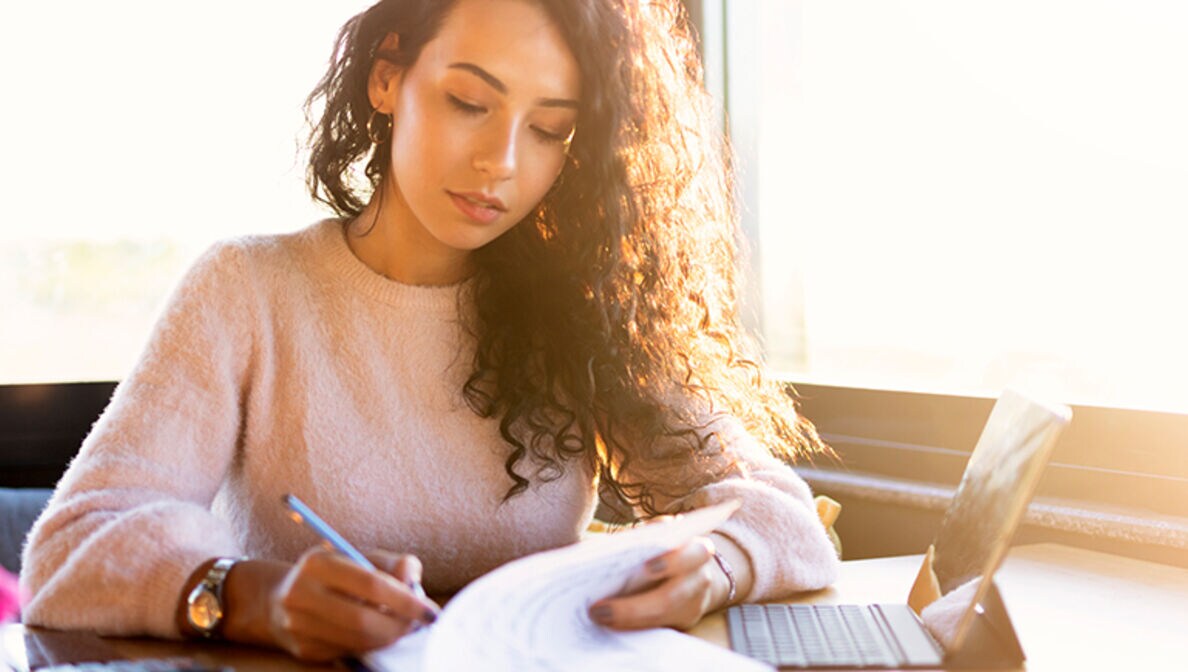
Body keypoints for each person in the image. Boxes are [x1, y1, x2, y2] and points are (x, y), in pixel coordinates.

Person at [20, 0, 840, 663]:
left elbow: (781, 513)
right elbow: (70, 548)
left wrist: (716, 567)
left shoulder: (582, 312)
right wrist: (253, 596)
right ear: (387, 79)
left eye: (550, 128)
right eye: (470, 102)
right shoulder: (248, 289)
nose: (502, 162)